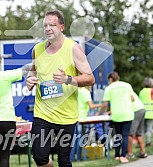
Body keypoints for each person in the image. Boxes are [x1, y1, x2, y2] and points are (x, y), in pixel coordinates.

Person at [26, 10, 95, 167]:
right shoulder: (37, 49)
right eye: (45, 25)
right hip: (43, 113)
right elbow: (33, 71)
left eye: (52, 25)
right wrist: (29, 80)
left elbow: (90, 78)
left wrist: (68, 79)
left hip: (66, 115)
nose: (48, 29)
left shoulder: (73, 49)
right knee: (39, 157)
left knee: (64, 161)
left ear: (62, 27)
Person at [96, 71, 134, 163]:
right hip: (128, 113)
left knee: (118, 135)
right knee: (125, 135)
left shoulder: (109, 88)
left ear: (110, 79)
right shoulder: (127, 85)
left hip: (116, 114)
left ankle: (117, 155)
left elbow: (105, 104)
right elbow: (133, 98)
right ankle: (123, 156)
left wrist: (99, 113)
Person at [70, 86, 102, 161]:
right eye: (90, 85)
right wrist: (101, 105)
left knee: (74, 139)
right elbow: (91, 106)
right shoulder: (86, 92)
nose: (91, 87)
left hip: (74, 117)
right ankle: (79, 158)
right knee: (80, 139)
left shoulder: (77, 90)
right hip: (81, 118)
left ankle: (72, 158)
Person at [127, 92, 148, 158]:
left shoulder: (122, 91)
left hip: (136, 110)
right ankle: (143, 152)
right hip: (142, 108)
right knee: (139, 133)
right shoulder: (128, 88)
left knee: (130, 133)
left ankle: (130, 154)